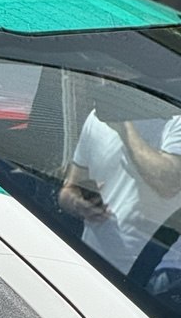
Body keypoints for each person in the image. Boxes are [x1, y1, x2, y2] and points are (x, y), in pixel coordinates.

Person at [58, 108, 181, 277]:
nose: (103, 83)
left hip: (154, 272)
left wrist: (126, 127)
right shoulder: (97, 118)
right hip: (90, 260)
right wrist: (78, 204)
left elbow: (168, 184)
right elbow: (68, 189)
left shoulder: (175, 120)